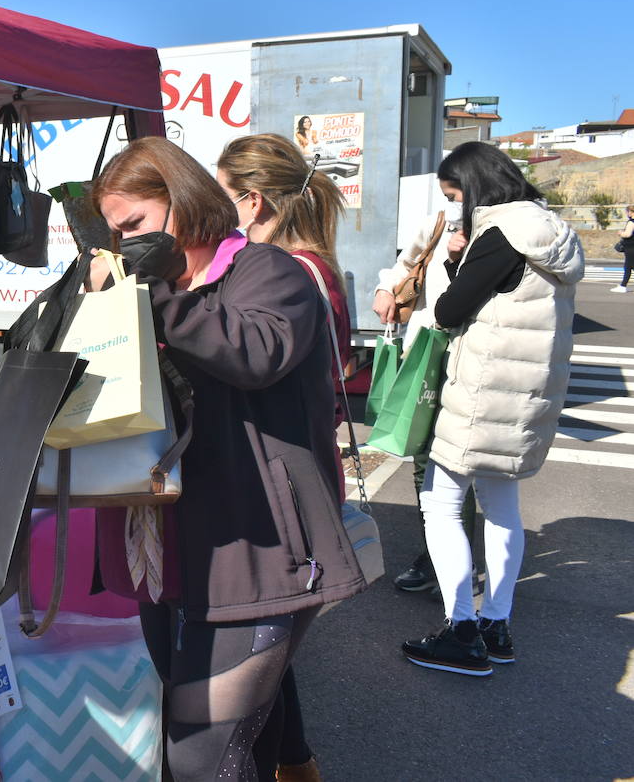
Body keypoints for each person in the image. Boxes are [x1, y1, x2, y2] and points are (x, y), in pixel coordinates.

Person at [91, 137, 365, 781]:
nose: (126, 241)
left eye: (135, 224)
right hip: (174, 550)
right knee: (237, 746)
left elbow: (253, 351)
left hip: (259, 552)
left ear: (182, 205)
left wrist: (146, 296)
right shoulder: (170, 287)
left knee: (199, 755)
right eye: (116, 231)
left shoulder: (271, 271)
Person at [401, 142, 584, 675]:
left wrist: (458, 261)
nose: (456, 207)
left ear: (476, 186)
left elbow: (449, 309)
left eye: (456, 195)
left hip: (482, 395)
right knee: (503, 508)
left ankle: (460, 630)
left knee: (440, 502)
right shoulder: (550, 230)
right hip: (527, 398)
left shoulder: (501, 233)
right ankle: (495, 625)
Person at [214, 133, 349, 782]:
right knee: (269, 663)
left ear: (252, 199)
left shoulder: (287, 272)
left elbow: (256, 373)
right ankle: (298, 766)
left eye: (219, 197)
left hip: (287, 497)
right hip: (301, 479)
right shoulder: (318, 264)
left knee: (252, 679)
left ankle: (292, 765)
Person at [373, 201, 484, 597]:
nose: (453, 198)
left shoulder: (496, 231)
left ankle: (460, 563)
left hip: (472, 363)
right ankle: (435, 555)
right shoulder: (440, 221)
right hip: (424, 355)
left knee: (458, 467)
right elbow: (404, 264)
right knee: (423, 461)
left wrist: (462, 258)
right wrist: (386, 289)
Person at [613, 205, 634, 293]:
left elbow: (628, 234)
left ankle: (623, 285)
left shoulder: (631, 222)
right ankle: (623, 285)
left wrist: (621, 233)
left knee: (628, 267)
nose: (626, 213)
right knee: (630, 266)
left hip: (630, 247)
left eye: (627, 211)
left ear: (631, 212)